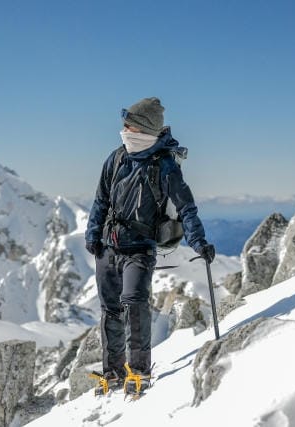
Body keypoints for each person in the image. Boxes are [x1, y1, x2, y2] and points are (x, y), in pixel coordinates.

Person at [85, 97, 215, 390]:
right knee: (110, 310)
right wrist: (93, 235)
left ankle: (139, 371)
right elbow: (101, 200)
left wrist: (199, 241)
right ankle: (113, 373)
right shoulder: (116, 158)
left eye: (129, 123)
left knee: (134, 303)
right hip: (108, 247)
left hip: (140, 248)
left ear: (142, 128)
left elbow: (186, 207)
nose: (124, 128)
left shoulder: (165, 165)